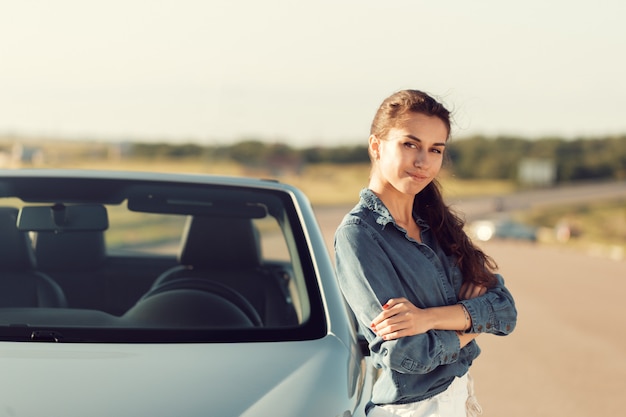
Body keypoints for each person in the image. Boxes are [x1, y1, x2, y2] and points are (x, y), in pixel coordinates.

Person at [334, 89, 517, 417]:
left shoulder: (437, 225)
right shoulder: (359, 235)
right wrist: (473, 320)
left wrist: (427, 318)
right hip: (412, 410)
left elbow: (504, 310)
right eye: (410, 144)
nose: (423, 162)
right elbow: (407, 353)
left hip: (459, 397)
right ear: (376, 146)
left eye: (435, 150)